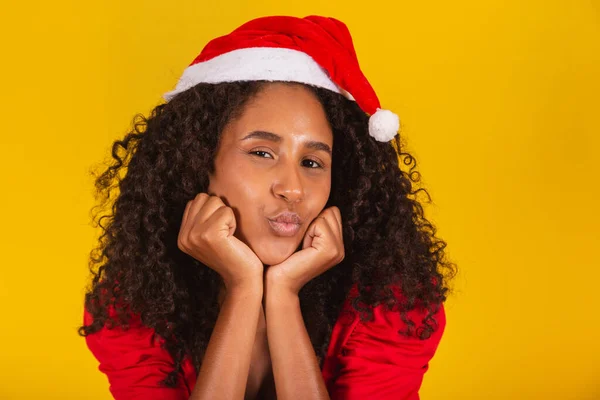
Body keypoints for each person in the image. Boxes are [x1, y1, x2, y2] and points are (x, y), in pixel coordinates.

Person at [79, 15, 457, 400]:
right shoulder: (132, 309)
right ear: (196, 162)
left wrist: (283, 295)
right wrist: (244, 290)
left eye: (313, 163)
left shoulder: (395, 305)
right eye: (262, 152)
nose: (293, 189)